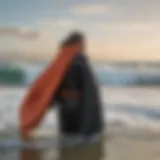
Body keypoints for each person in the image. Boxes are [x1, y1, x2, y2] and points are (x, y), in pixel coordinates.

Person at [19, 31, 104, 160]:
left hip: (74, 124)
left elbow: (66, 94)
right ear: (78, 43)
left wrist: (51, 101)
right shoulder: (77, 61)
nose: (85, 45)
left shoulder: (70, 61)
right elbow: (72, 92)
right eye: (83, 42)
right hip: (83, 123)